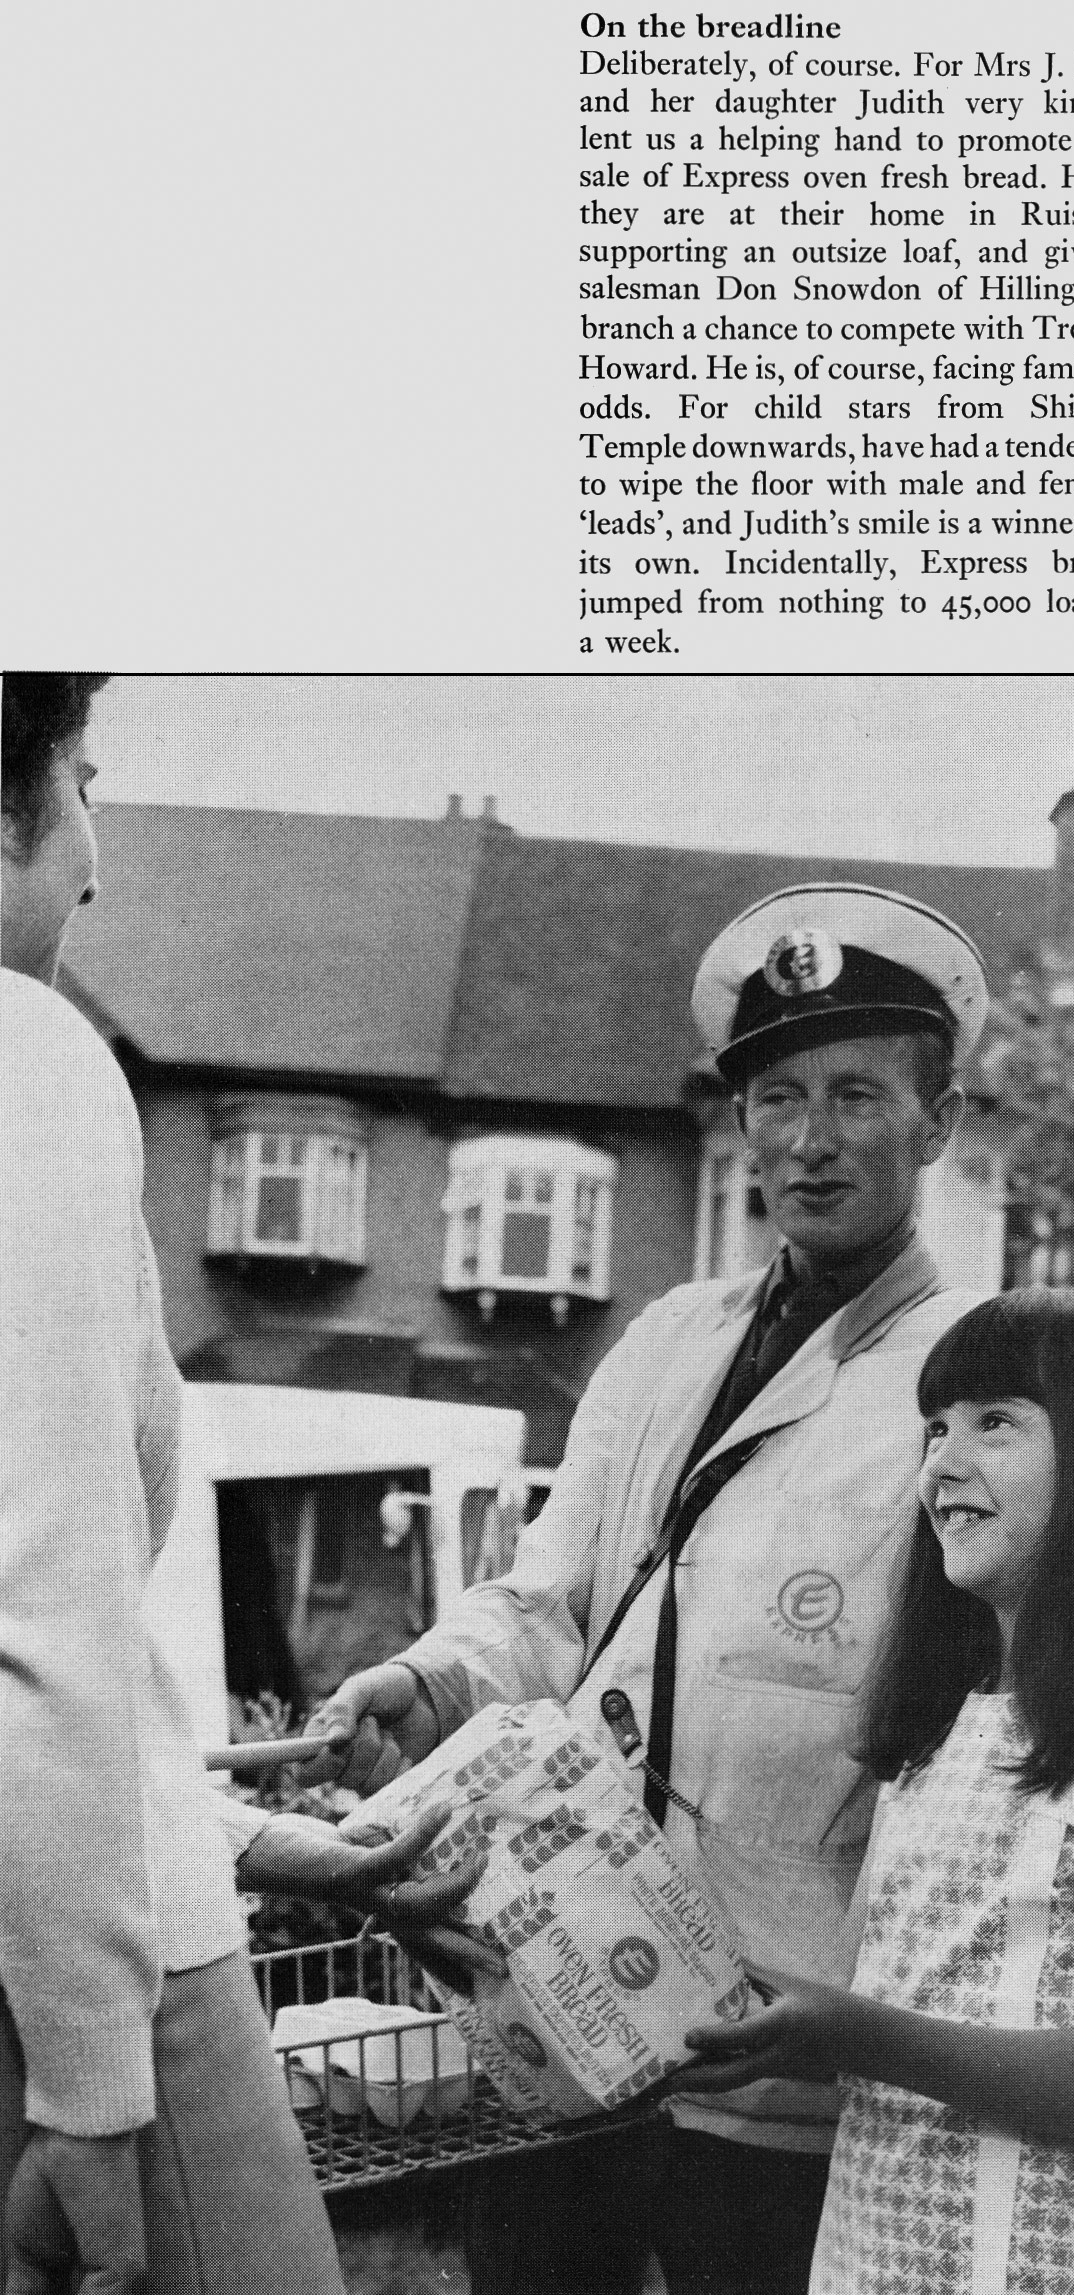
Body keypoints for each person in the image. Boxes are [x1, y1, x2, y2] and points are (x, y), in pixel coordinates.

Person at [309, 879, 993, 2295]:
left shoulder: (973, 1380)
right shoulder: (670, 1334)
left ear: (935, 1120)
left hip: (785, 2050)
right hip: (560, 1998)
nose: (808, 1140)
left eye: (856, 1093)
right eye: (776, 1096)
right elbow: (549, 1598)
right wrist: (426, 1677)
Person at [0, 675, 496, 2295]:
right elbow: (46, 1630)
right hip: (94, 1994)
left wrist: (279, 1848)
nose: (96, 856)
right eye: (80, 779)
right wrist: (90, 2085)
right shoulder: (28, 1060)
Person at [682, 1288, 1074, 2294]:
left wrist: (852, 2033)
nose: (940, 1462)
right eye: (932, 1427)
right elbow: (862, 2016)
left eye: (994, 1421)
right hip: (869, 2262)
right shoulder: (930, 1732)